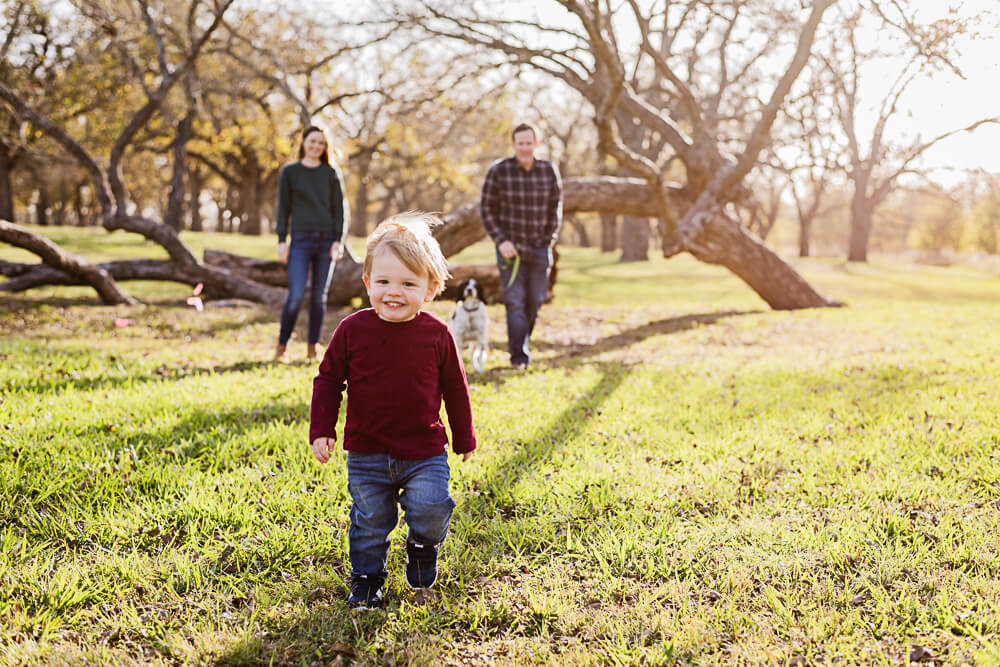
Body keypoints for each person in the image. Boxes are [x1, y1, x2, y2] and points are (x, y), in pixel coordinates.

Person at [309, 212, 477, 610]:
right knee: (370, 520)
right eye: (383, 282)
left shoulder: (437, 335)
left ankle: (423, 544)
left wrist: (465, 435)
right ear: (367, 282)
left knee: (433, 507)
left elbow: (456, 387)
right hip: (367, 451)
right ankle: (367, 579)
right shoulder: (353, 330)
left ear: (431, 289)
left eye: (408, 283)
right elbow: (329, 379)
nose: (393, 292)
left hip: (424, 452)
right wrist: (322, 428)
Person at [480, 123, 563, 370]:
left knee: (535, 300)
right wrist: (501, 241)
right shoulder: (499, 171)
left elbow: (555, 211)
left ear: (536, 144)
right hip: (510, 250)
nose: (525, 148)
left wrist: (547, 241)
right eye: (520, 143)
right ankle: (518, 357)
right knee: (515, 301)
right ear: (513, 145)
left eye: (529, 143)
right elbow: (486, 210)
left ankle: (521, 342)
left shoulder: (549, 171)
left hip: (540, 248)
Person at [274, 125, 349, 362]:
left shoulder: (331, 173)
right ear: (304, 142)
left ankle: (312, 348)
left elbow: (340, 211)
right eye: (312, 141)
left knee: (319, 297)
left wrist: (338, 241)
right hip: (300, 242)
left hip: (326, 242)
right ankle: (282, 347)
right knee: (295, 296)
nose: (316, 146)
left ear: (325, 147)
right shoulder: (290, 172)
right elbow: (282, 209)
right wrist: (281, 241)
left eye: (321, 143)